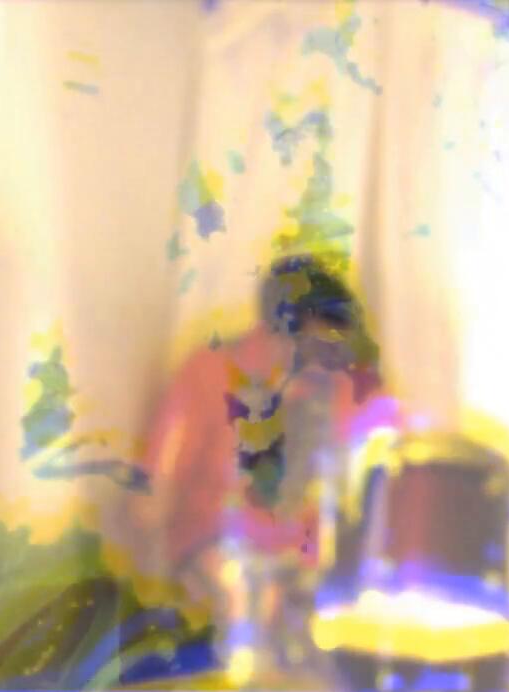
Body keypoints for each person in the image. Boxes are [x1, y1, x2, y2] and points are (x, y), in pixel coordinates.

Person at [138, 252, 388, 669]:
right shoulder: (209, 372)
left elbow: (384, 472)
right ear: (274, 332)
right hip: (217, 556)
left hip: (314, 569)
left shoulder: (348, 389)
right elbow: (150, 499)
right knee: (247, 596)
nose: (324, 359)